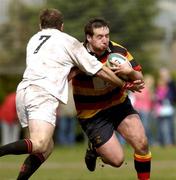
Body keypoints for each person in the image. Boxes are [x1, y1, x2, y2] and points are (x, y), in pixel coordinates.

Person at [0, 9, 132, 179]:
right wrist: (123, 84)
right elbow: (99, 70)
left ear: (41, 26)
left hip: (24, 92)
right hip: (42, 94)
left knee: (46, 148)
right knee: (40, 144)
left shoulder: (34, 39)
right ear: (62, 26)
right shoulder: (67, 41)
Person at [72, 18, 151, 180]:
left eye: (107, 35)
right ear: (89, 37)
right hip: (92, 114)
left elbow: (139, 78)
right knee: (117, 160)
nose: (105, 40)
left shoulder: (118, 51)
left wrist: (129, 71)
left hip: (119, 105)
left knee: (142, 144)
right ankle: (94, 150)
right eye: (100, 36)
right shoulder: (77, 54)